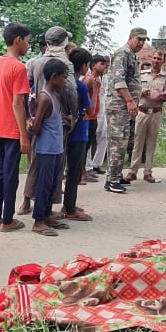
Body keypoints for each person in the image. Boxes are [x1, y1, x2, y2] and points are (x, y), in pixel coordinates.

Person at [20, 26, 78, 213]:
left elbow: (26, 88)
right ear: (64, 42)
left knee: (35, 163)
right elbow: (71, 92)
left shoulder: (35, 62)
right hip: (57, 118)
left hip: (39, 113)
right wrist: (74, 115)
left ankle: (27, 201)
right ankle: (46, 209)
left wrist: (29, 115)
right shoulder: (65, 64)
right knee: (54, 167)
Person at [0, 22, 32, 232]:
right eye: (27, 41)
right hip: (11, 129)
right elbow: (17, 103)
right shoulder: (19, 67)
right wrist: (24, 134)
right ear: (18, 40)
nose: (28, 46)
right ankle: (7, 220)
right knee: (10, 176)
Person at [30, 59, 70, 236]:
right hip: (46, 149)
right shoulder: (45, 97)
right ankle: (38, 220)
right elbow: (37, 126)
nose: (65, 82)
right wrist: (32, 127)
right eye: (63, 78)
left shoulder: (54, 96)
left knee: (52, 184)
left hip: (55, 148)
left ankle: (46, 214)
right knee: (43, 185)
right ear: (54, 77)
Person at [104, 28, 146, 193]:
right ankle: (113, 180)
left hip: (125, 107)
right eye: (139, 39)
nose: (141, 43)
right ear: (131, 38)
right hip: (119, 106)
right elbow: (119, 81)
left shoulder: (131, 55)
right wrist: (129, 100)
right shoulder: (122, 53)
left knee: (122, 141)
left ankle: (114, 175)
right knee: (118, 142)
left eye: (144, 40)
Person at [126, 50, 166, 183]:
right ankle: (132, 171)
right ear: (152, 59)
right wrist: (142, 92)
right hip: (142, 111)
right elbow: (133, 91)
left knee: (151, 143)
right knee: (137, 142)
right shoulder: (142, 74)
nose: (156, 61)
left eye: (159, 59)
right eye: (154, 58)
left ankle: (148, 172)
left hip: (156, 112)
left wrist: (163, 97)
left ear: (163, 61)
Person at [61, 48, 94, 220]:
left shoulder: (65, 83)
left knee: (67, 170)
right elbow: (90, 109)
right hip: (79, 131)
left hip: (65, 130)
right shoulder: (80, 86)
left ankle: (68, 203)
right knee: (74, 172)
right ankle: (70, 208)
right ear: (84, 66)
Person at [82, 54, 109, 182]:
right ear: (93, 65)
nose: (105, 66)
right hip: (89, 115)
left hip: (97, 114)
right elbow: (83, 95)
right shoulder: (89, 79)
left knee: (91, 142)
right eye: (101, 64)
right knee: (85, 144)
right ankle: (83, 171)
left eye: (105, 64)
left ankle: (89, 168)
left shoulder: (100, 79)